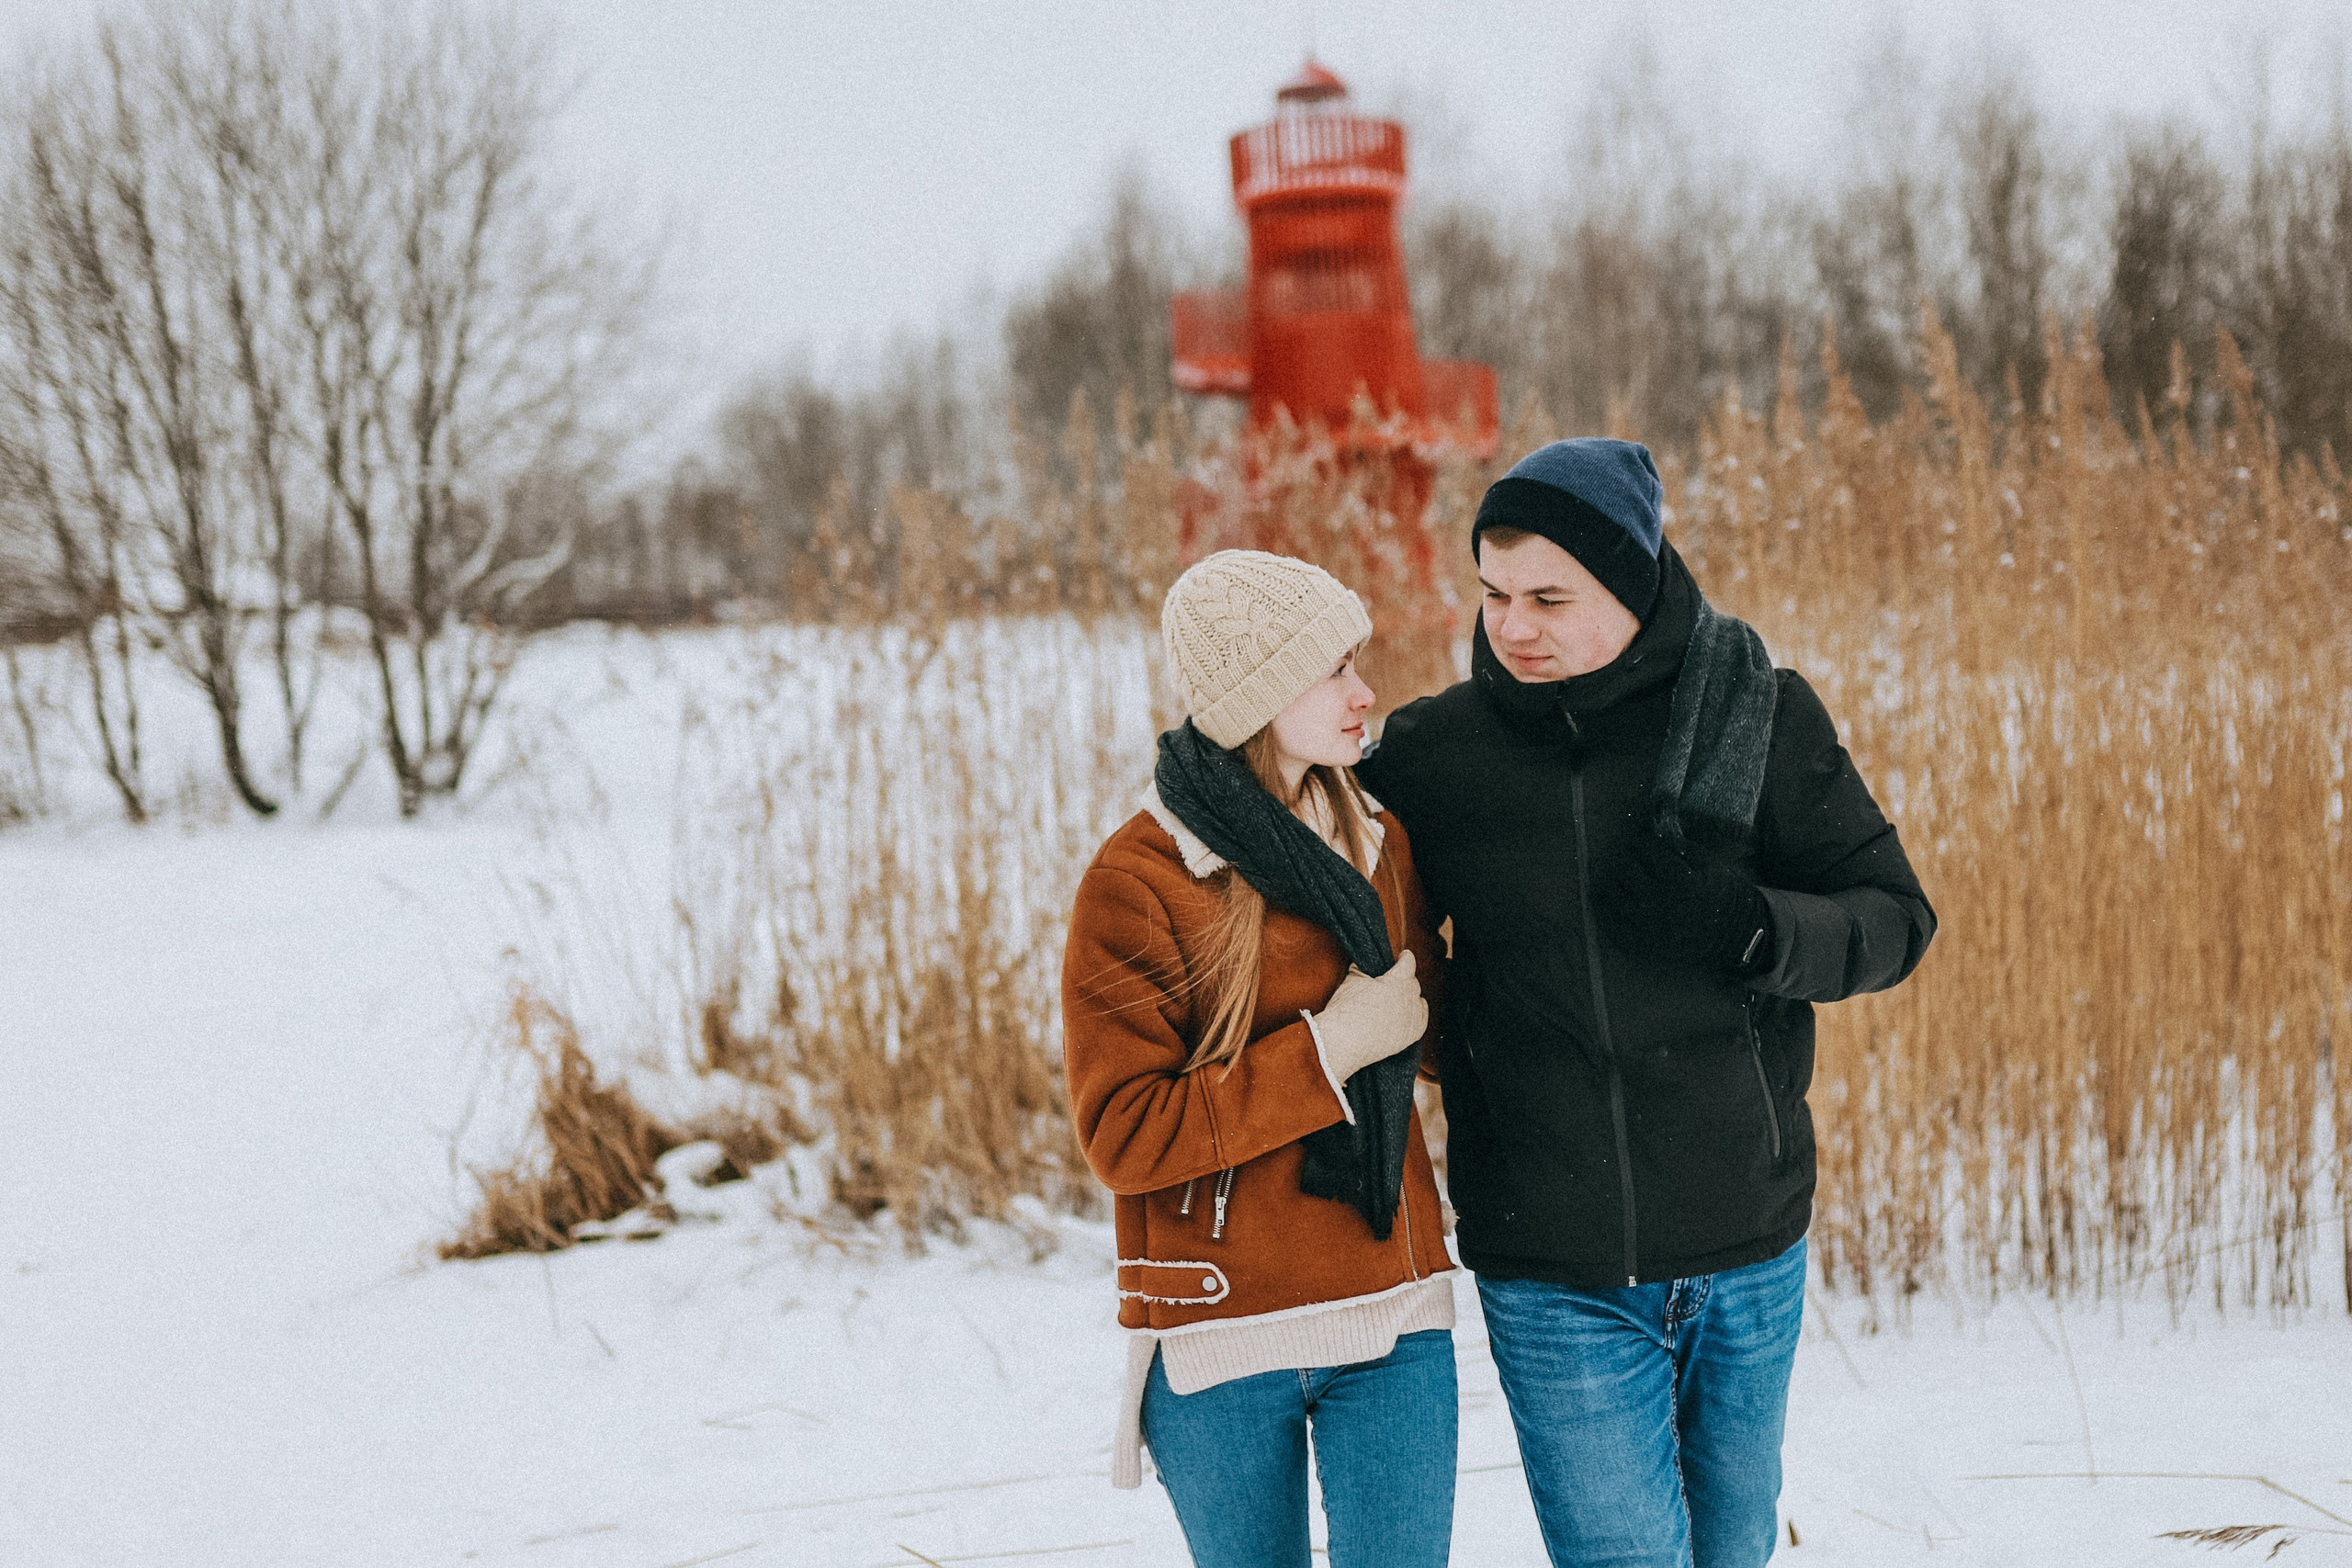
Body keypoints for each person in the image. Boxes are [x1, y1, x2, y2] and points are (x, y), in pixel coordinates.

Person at [1357, 438, 1936, 1568]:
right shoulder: (1436, 756)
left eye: (1548, 599)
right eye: (1492, 594)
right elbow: (1318, 885)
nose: (1511, 627)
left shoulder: (1755, 719)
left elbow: (1893, 919)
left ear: (1632, 586)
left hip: (1744, 1239)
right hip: (1550, 1257)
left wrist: (1751, 927)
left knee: (1732, 1548)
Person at [1061, 549, 1459, 1568]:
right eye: (1334, 669)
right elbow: (1124, 1136)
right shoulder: (1141, 881)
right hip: (1223, 1333)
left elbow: (1444, 1036)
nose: (1364, 693)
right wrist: (1328, 1051)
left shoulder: (1379, 841)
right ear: (1259, 698)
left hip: (1390, 1311)